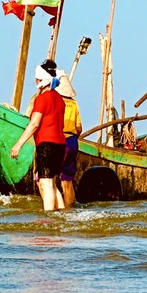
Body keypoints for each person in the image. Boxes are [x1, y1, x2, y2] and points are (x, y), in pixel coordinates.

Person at [10, 67, 66, 211]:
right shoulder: (59, 99)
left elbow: (34, 124)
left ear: (41, 80)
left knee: (45, 184)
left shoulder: (42, 99)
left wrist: (18, 145)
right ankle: (61, 216)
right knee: (53, 184)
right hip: (60, 145)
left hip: (47, 145)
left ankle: (49, 220)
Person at [57, 72, 83, 207]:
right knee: (67, 180)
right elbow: (79, 128)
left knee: (49, 179)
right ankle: (69, 209)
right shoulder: (74, 103)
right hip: (73, 141)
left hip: (60, 140)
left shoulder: (55, 100)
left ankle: (55, 208)